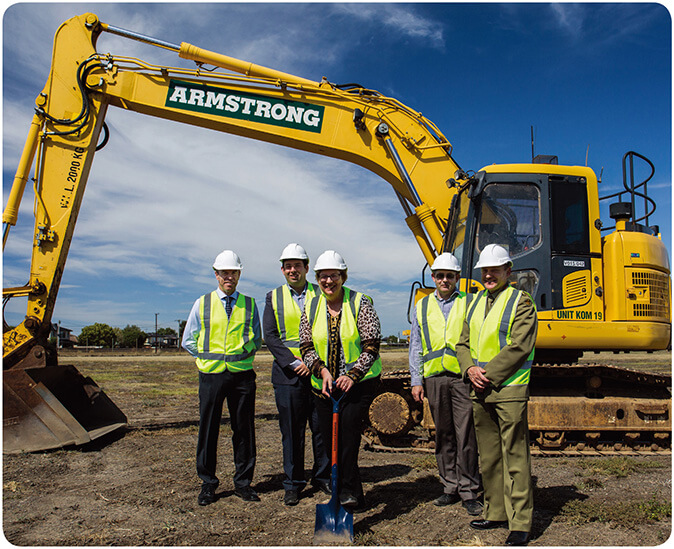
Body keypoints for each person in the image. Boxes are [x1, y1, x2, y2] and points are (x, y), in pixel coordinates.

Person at [456, 244, 538, 546]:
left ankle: (521, 523)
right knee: (489, 456)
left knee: (515, 455)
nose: (488, 275)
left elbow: (520, 346)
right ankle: (495, 511)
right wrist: (469, 371)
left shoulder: (522, 302)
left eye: (494, 269)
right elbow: (462, 344)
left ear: (508, 271)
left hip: (509, 388)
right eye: (485, 270)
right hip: (480, 389)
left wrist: (485, 374)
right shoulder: (474, 302)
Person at [299, 250, 381, 510]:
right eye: (323, 277)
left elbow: (371, 345)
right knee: (329, 441)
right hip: (324, 387)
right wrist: (321, 370)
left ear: (343, 277)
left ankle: (345, 492)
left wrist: (353, 375)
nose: (328, 282)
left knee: (346, 439)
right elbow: (306, 345)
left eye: (333, 276)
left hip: (356, 387)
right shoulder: (311, 306)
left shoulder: (360, 303)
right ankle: (350, 492)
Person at [182, 250, 262, 507]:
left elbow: (256, 339)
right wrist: (206, 360)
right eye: (224, 272)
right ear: (216, 275)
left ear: (239, 274)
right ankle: (208, 483)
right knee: (208, 430)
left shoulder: (249, 304)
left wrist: (239, 356)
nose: (229, 276)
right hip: (211, 376)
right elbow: (188, 340)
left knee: (244, 430)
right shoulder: (202, 303)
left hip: (242, 376)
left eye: (233, 272)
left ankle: (243, 483)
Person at [409, 253, 482, 516]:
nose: (444, 280)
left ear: (457, 279)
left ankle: (469, 490)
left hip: (462, 378)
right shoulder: (422, 306)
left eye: (449, 276)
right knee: (444, 435)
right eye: (440, 275)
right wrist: (416, 380)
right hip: (435, 379)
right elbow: (415, 346)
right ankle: (449, 487)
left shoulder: (471, 303)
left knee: (466, 435)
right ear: (433, 278)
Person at [263, 243, 330, 506]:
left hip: (318, 373)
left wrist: (316, 365)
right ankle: (293, 483)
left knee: (321, 428)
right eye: (288, 266)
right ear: (282, 270)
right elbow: (270, 336)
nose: (293, 270)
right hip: (288, 376)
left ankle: (322, 477)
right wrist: (293, 362)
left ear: (306, 268)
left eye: (298, 265)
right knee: (292, 431)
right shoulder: (273, 297)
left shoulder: (322, 293)